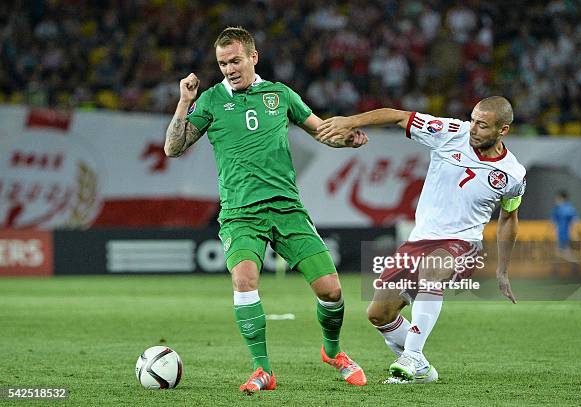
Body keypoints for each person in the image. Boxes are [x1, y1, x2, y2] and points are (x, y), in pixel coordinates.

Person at [164, 27, 368, 394]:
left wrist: (346, 141)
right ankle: (263, 370)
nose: (229, 69)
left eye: (235, 61)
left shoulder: (281, 95)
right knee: (244, 281)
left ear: (253, 57)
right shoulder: (210, 101)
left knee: (332, 291)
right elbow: (172, 148)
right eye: (223, 63)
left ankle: (334, 352)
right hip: (241, 213)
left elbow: (320, 130)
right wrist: (184, 101)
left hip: (287, 208)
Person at [317, 96, 526, 383]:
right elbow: (398, 116)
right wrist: (350, 121)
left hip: (462, 244)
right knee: (379, 314)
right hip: (419, 240)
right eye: (473, 119)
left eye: (483, 125)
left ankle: (413, 355)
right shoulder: (450, 132)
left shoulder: (513, 174)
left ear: (503, 130)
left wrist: (502, 270)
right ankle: (424, 370)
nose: (473, 128)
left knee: (433, 266)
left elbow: (508, 219)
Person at [551, 190, 578, 259]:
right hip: (561, 234)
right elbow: (575, 221)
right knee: (562, 252)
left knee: (565, 252)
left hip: (565, 234)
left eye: (557, 198)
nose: (556, 200)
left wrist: (573, 233)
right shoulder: (558, 209)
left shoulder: (567, 209)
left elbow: (574, 222)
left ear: (562, 198)